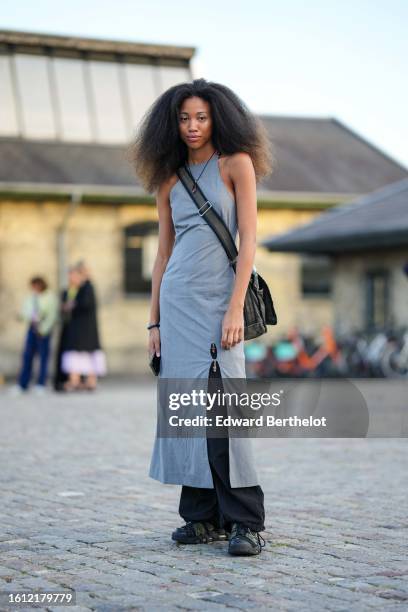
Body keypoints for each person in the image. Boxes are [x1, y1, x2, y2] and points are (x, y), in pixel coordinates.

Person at [130, 78, 273, 555]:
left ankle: (246, 521)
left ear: (218, 119)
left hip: (219, 302)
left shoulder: (237, 164)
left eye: (201, 117)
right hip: (177, 303)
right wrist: (153, 321)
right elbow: (163, 252)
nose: (192, 127)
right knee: (186, 408)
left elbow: (248, 240)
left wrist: (235, 307)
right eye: (184, 118)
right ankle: (201, 516)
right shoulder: (169, 178)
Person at [60, 262, 107, 391]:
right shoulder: (76, 288)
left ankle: (89, 382)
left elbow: (85, 304)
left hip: (87, 329)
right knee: (78, 355)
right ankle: (77, 381)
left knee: (88, 355)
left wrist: (72, 305)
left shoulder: (88, 287)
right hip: (79, 329)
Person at [12, 276, 58, 395]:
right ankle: (23, 384)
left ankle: (41, 384)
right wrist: (21, 316)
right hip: (32, 328)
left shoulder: (49, 297)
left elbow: (52, 315)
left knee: (43, 358)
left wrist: (43, 330)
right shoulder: (31, 297)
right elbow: (26, 311)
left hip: (43, 331)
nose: (34, 288)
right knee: (27, 356)